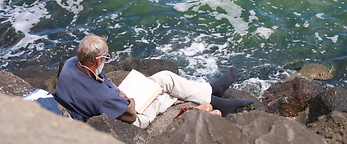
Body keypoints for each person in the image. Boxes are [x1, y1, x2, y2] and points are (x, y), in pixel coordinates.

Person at [54, 34, 254, 128]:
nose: (108, 60)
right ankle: (218, 102)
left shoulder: (73, 63)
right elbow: (131, 116)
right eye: (107, 57)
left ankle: (212, 90)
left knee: (164, 76)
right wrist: (128, 97)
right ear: (98, 60)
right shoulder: (103, 96)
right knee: (162, 94)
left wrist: (115, 90)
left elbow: (100, 80)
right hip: (126, 118)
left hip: (100, 103)